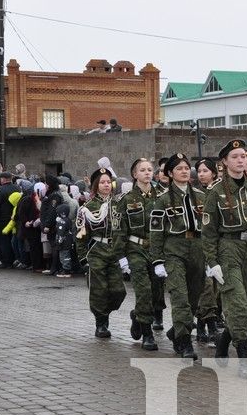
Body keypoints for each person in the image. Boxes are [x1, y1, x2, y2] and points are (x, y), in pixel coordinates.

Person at [201, 139, 247, 376]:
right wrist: (213, 262)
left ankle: (223, 341)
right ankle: (243, 358)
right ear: (224, 162)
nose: (241, 160)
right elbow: (208, 232)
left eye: (243, 156)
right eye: (235, 157)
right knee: (238, 305)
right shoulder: (216, 192)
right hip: (228, 247)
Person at [150, 153, 207, 360]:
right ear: (170, 173)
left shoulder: (201, 197)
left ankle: (177, 330)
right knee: (180, 297)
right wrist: (157, 260)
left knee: (194, 298)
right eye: (179, 168)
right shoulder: (163, 200)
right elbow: (155, 232)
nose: (184, 171)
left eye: (186, 168)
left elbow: (209, 229)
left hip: (198, 249)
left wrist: (211, 257)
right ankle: (184, 342)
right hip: (174, 248)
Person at [76, 167, 127, 338]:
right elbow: (80, 236)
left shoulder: (119, 204)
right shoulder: (87, 207)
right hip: (97, 250)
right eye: (102, 182)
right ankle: (101, 323)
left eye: (108, 182)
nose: (106, 185)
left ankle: (105, 311)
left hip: (115, 251)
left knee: (119, 290)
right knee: (99, 290)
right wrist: (83, 258)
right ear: (96, 185)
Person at [117, 158, 160, 350]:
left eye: (150, 169)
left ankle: (137, 316)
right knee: (143, 290)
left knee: (157, 292)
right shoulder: (126, 200)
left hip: (157, 250)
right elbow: (119, 230)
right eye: (142, 170)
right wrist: (122, 257)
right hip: (135, 250)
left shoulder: (162, 196)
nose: (147, 173)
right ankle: (147, 333)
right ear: (135, 174)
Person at [194, 158, 221, 345]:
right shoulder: (194, 194)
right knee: (206, 287)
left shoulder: (220, 192)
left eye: (205, 170)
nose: (202, 174)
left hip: (219, 244)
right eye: (199, 171)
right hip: (199, 245)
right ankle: (208, 325)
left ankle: (203, 324)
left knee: (215, 288)